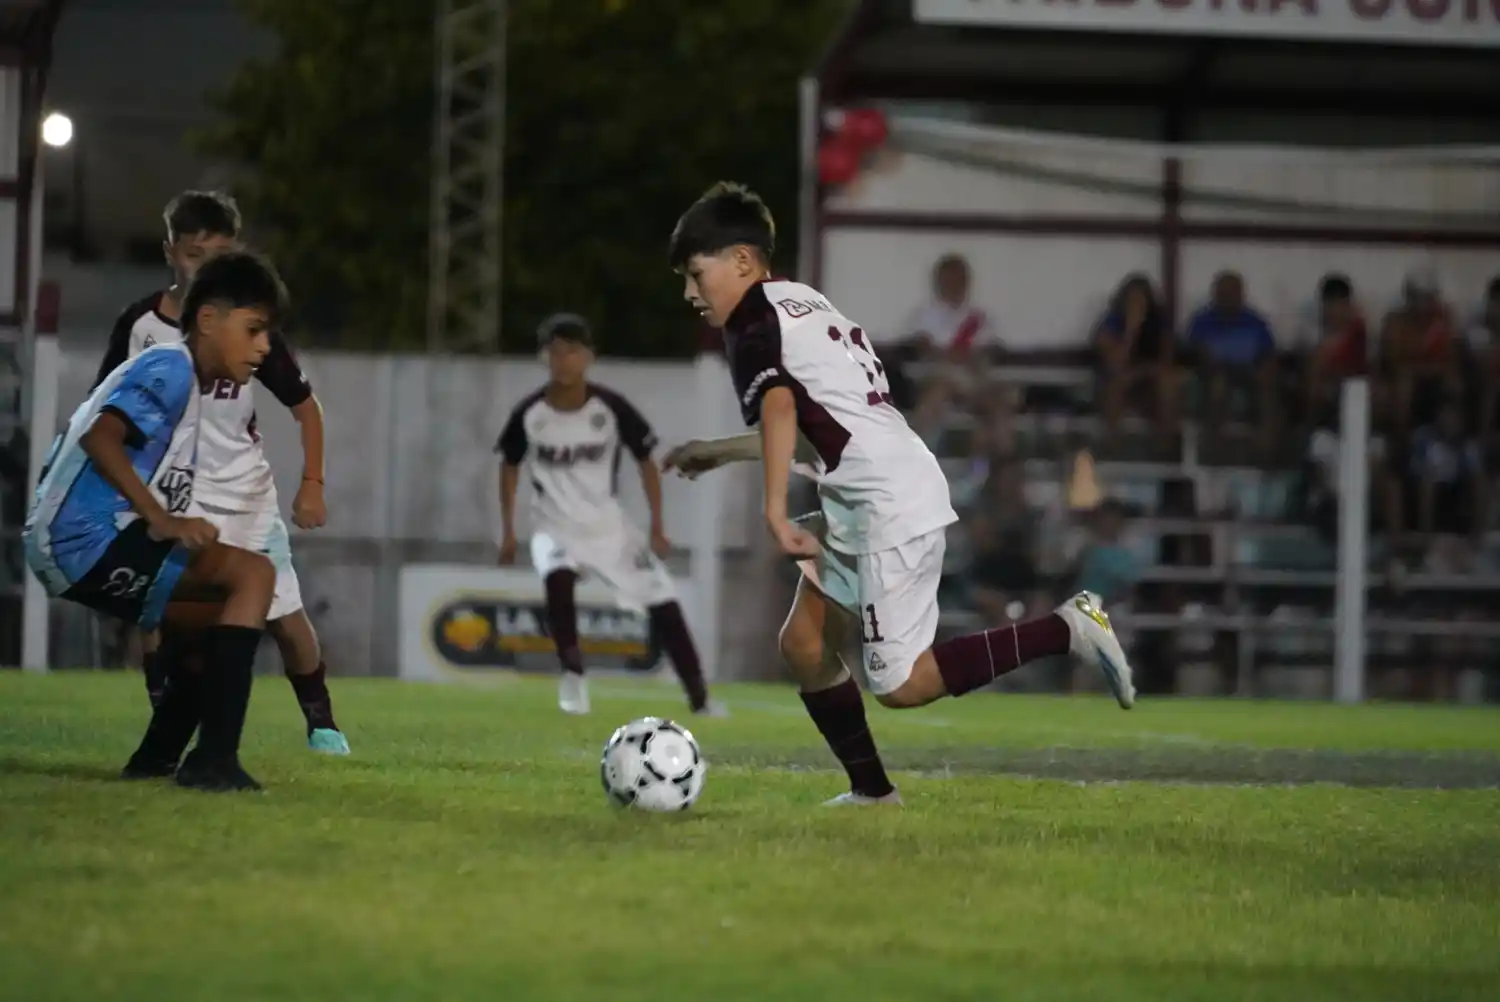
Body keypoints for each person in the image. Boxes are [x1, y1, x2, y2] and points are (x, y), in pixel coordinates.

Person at [660, 181, 1134, 807]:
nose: (692, 293)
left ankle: (1069, 627)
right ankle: (872, 793)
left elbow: (779, 408)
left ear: (742, 262)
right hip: (870, 486)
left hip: (884, 501)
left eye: (697, 274)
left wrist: (774, 511)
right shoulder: (800, 302)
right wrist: (716, 453)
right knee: (803, 644)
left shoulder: (752, 324)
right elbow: (811, 431)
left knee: (903, 684)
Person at [92, 190, 348, 755]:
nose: (203, 266)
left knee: (283, 613)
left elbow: (305, 406)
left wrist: (312, 484)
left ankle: (322, 722)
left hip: (243, 491)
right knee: (166, 611)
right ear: (169, 253)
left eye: (217, 253)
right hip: (173, 494)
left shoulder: (245, 330)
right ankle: (179, 729)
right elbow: (101, 413)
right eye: (193, 253)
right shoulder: (142, 329)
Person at [24, 251, 290, 791]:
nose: (264, 347)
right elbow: (103, 437)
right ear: (209, 320)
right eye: (255, 329)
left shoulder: (185, 380)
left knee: (215, 624)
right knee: (254, 576)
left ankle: (157, 761)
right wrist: (162, 519)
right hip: (82, 540)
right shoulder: (171, 366)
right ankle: (215, 760)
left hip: (72, 544)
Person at [496, 313, 721, 717]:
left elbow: (646, 461)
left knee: (664, 600)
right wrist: (509, 531)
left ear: (589, 357)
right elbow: (509, 466)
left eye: (572, 351)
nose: (564, 361)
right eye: (556, 352)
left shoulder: (610, 408)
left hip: (608, 527)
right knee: (557, 575)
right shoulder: (530, 414)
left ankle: (700, 699)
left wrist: (657, 526)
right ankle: (573, 675)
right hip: (554, 524)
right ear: (544, 358)